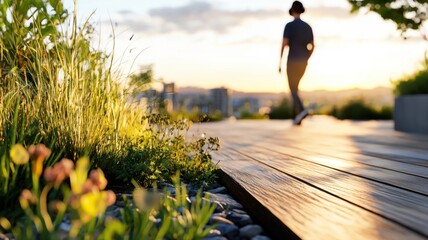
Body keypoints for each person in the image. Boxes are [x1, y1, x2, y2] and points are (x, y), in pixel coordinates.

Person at [279, 1, 314, 125]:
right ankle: (297, 118)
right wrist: (307, 57)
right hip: (303, 62)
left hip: (292, 61)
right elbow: (312, 46)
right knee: (296, 88)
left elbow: (284, 44)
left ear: (292, 11)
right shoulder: (308, 26)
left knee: (292, 88)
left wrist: (280, 62)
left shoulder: (289, 26)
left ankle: (302, 110)